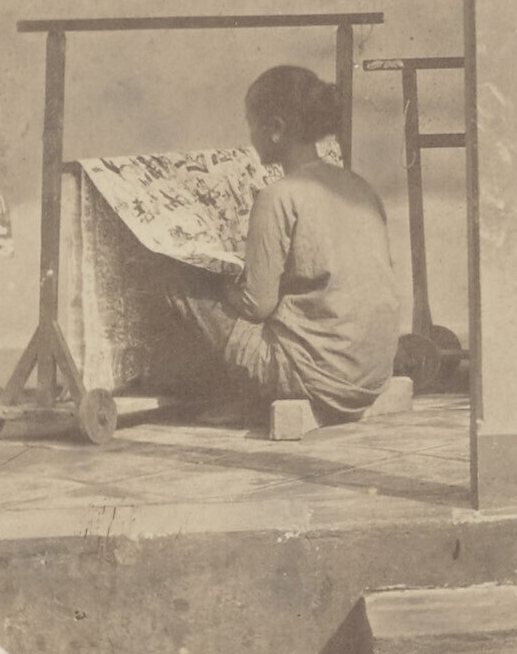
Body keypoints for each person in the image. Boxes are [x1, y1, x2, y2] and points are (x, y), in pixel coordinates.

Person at [169, 65, 399, 419]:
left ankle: (216, 392)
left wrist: (223, 285)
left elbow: (256, 306)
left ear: (275, 128)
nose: (250, 138)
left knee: (177, 277)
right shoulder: (359, 187)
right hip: (372, 375)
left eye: (252, 125)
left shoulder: (278, 196)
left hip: (318, 380)